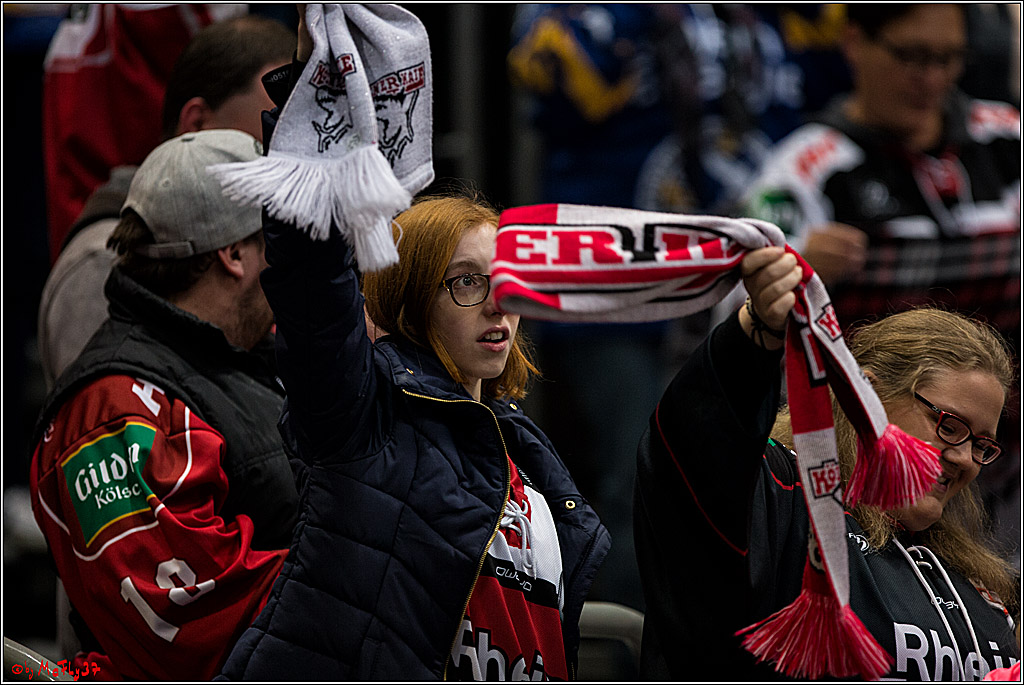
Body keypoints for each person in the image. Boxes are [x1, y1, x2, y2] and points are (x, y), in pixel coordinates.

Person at [634, 245, 1020, 680]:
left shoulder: (982, 584)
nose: (966, 459)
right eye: (949, 426)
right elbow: (698, 448)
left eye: (983, 445)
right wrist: (752, 335)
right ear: (865, 398)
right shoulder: (782, 498)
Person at [740, 2, 1022, 573]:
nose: (932, 78)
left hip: (999, 457)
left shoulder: (1008, 139)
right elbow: (731, 318)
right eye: (912, 56)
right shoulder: (804, 170)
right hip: (868, 486)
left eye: (949, 59)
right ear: (855, 42)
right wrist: (792, 268)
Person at [29, 129, 299, 681]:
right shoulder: (111, 411)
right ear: (234, 255)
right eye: (277, 238)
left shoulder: (249, 356)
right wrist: (374, 565)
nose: (292, 259)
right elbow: (195, 627)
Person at [37, 14, 296, 389]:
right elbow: (104, 422)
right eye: (265, 140)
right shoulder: (100, 265)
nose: (282, 165)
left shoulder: (259, 235)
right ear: (195, 125)